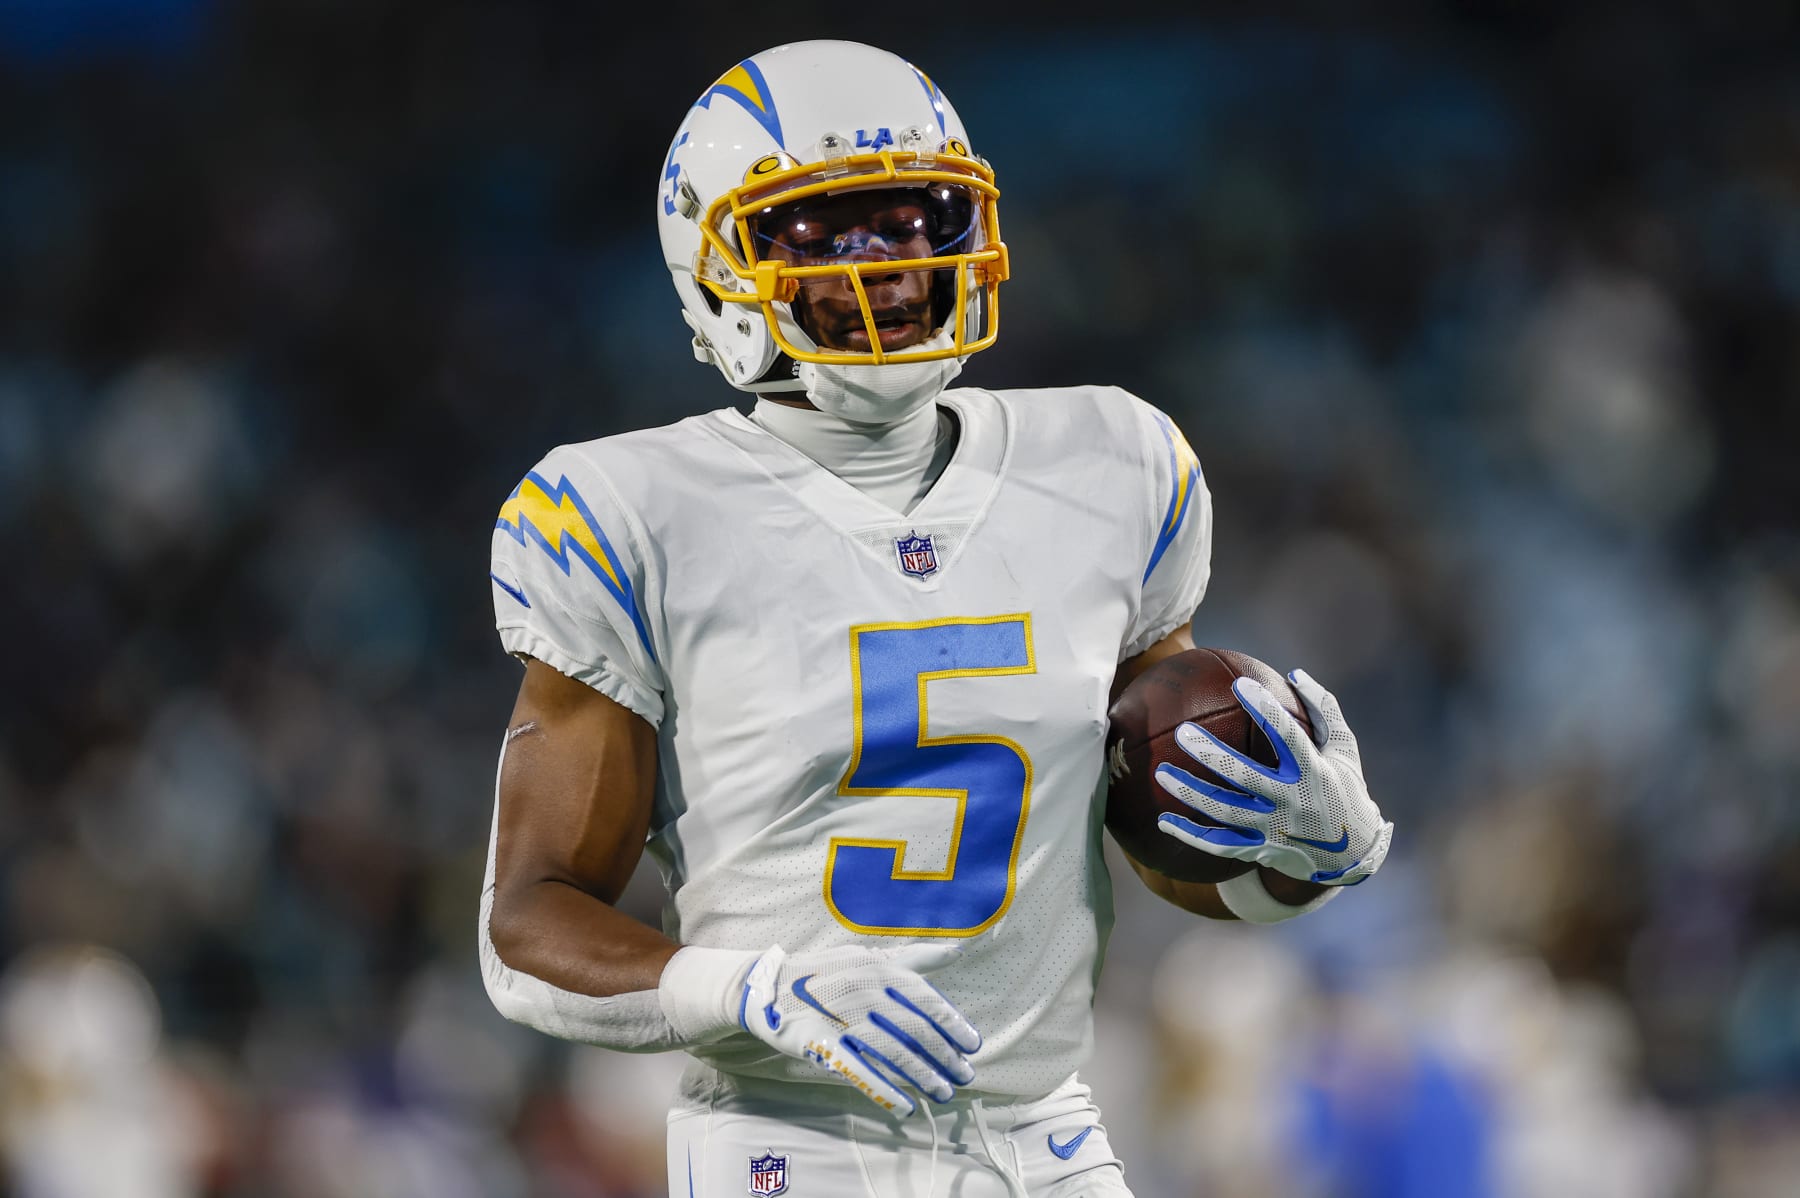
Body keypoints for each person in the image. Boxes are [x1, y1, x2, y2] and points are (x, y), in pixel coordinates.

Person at [478, 38, 1394, 1197]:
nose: (888, 265)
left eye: (911, 220)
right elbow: (525, 932)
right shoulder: (625, 512)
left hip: (1051, 1143)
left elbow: (1154, 840)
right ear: (715, 259)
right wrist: (750, 987)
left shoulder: (1116, 463)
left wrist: (1299, 854)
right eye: (824, 231)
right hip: (792, 1148)